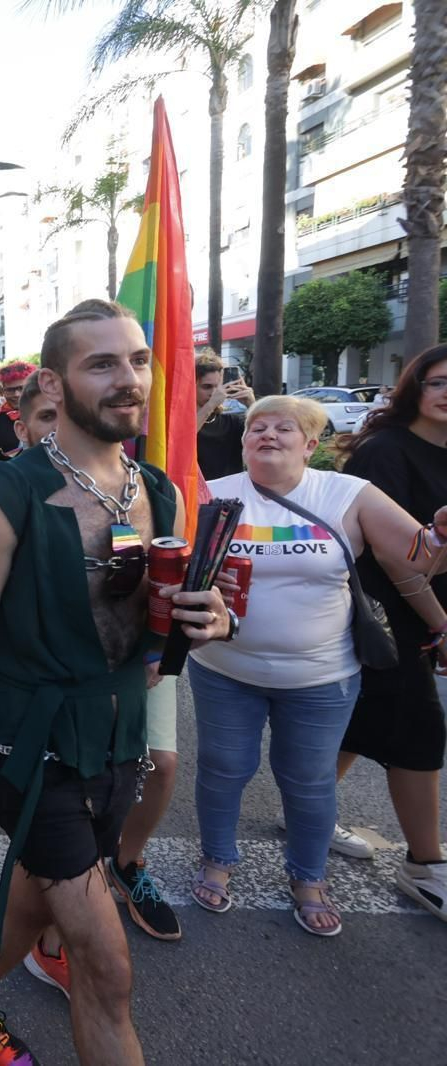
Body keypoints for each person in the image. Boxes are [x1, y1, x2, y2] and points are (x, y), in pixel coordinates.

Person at [0, 300, 231, 1065]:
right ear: (54, 384)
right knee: (105, 962)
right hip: (27, 749)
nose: (127, 378)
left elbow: (156, 612)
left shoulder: (157, 490)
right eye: (102, 364)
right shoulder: (6, 494)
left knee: (37, 891)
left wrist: (211, 614)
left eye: (136, 360)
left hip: (120, 738)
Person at [187, 395, 447, 937]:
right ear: (242, 441)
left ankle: (309, 877)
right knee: (222, 769)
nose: (268, 434)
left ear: (311, 444)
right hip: (224, 668)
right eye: (257, 426)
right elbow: (181, 566)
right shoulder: (212, 493)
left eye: (285, 428)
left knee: (308, 782)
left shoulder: (347, 493)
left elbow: (419, 556)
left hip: (321, 677)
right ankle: (217, 861)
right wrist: (205, 581)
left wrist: (441, 534)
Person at [336, 344, 447, 919]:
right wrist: (440, 624)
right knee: (420, 730)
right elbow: (401, 558)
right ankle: (425, 864)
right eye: (439, 382)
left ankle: (310, 809)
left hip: (424, 612)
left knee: (365, 718)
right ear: (415, 389)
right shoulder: (385, 452)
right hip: (384, 612)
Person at [194, 351, 254, 480]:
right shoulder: (178, 423)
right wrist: (210, 405)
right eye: (207, 387)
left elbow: (268, 436)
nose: (215, 393)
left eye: (219, 387)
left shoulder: (232, 422)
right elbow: (182, 439)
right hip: (194, 495)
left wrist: (252, 404)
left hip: (230, 496)